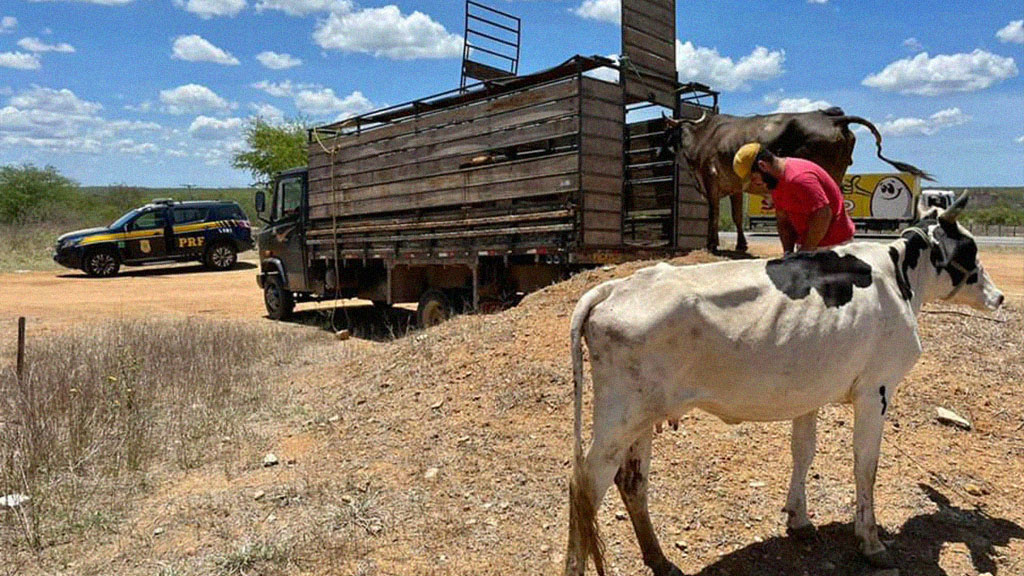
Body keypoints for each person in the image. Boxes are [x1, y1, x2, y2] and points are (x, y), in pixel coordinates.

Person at [733, 142, 855, 253]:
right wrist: (788, 254)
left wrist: (806, 250)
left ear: (763, 166)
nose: (755, 184)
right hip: (811, 244)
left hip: (833, 247)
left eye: (753, 178)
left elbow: (823, 214)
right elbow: (783, 219)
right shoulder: (776, 182)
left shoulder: (798, 178)